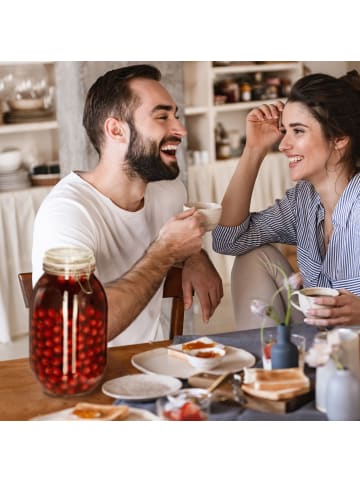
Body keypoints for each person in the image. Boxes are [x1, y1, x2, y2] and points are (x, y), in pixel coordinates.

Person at [32, 64, 223, 345]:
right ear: (116, 130)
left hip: (155, 366)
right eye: (162, 117)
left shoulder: (169, 193)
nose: (180, 129)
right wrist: (166, 251)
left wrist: (195, 256)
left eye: (176, 116)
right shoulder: (67, 213)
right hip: (91, 376)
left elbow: (180, 243)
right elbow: (81, 329)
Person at [212, 70, 360, 330]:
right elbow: (227, 241)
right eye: (285, 130)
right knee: (252, 256)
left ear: (339, 139)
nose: (283, 145)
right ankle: (270, 368)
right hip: (319, 344)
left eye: (298, 131)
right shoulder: (302, 201)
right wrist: (253, 149)